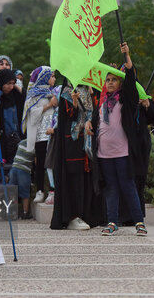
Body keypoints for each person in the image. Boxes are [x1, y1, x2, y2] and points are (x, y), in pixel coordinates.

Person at [85, 43, 146, 236]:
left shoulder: (125, 101)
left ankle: (139, 222)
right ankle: (112, 221)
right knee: (110, 188)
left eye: (113, 80)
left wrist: (127, 55)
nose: (110, 82)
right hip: (104, 153)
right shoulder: (102, 103)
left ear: (120, 83)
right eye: (107, 80)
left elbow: (130, 79)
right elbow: (96, 123)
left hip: (123, 152)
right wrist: (89, 124)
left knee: (128, 186)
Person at [51, 83, 102, 230]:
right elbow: (68, 116)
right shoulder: (67, 91)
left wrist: (93, 94)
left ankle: (87, 215)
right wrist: (74, 102)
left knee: (86, 179)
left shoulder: (89, 90)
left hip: (87, 141)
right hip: (73, 142)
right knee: (74, 178)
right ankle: (73, 216)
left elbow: (95, 113)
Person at [21, 66, 57, 203]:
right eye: (52, 76)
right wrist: (48, 105)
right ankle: (40, 191)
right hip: (40, 134)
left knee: (52, 163)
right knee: (41, 163)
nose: (54, 78)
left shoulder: (55, 92)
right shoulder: (33, 95)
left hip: (53, 133)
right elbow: (32, 115)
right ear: (44, 77)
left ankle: (53, 191)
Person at [0, 68, 24, 165]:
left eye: (13, 83)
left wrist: (18, 87)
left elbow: (25, 99)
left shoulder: (14, 96)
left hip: (16, 139)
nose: (11, 86)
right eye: (8, 83)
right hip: (2, 140)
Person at [10, 140, 34, 219]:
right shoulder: (34, 145)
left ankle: (12, 212)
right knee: (25, 193)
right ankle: (25, 213)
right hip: (24, 169)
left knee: (12, 191)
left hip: (14, 167)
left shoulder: (21, 142)